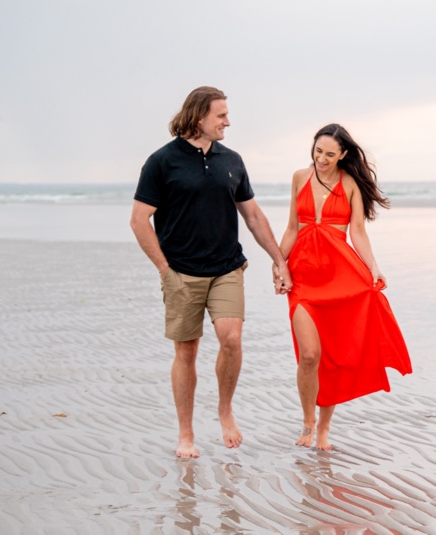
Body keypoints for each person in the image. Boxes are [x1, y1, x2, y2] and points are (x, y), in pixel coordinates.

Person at [131, 88, 286, 458]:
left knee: (230, 338)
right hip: (181, 272)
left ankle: (225, 410)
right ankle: (186, 433)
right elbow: (139, 220)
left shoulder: (231, 160)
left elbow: (253, 216)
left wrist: (278, 259)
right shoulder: (162, 162)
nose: (227, 122)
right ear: (199, 116)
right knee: (186, 352)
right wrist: (164, 269)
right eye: (221, 115)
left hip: (226, 267)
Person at [277, 122, 412, 451]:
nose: (321, 159)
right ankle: (307, 421)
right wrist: (279, 266)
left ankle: (323, 429)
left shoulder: (350, 183)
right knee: (309, 355)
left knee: (331, 357)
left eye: (329, 154)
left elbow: (358, 233)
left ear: (344, 155)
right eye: (318, 151)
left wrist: (373, 267)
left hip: (339, 277)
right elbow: (293, 227)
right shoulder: (299, 177)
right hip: (304, 277)